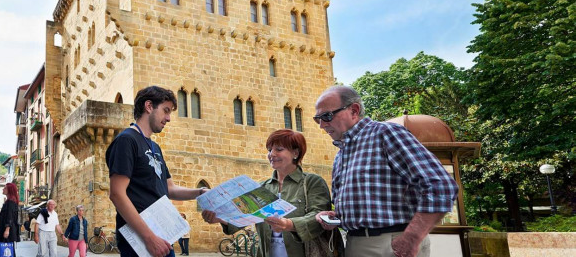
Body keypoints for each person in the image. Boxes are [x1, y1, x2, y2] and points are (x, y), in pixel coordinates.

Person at [313, 86, 459, 257]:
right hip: (356, 243)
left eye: (327, 116)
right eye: (318, 119)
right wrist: (337, 216)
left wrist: (413, 236)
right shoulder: (341, 154)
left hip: (392, 244)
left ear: (354, 110)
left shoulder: (385, 133)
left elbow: (440, 185)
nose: (322, 125)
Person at [106, 86, 208, 257]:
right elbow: (117, 194)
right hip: (142, 242)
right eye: (166, 111)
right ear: (149, 106)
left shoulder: (155, 147)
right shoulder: (126, 141)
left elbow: (169, 188)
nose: (168, 118)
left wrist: (200, 192)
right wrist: (149, 238)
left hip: (163, 238)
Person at [202, 129, 332, 257]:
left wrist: (288, 225)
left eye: (279, 149)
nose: (272, 154)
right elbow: (244, 217)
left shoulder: (312, 182)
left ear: (295, 153)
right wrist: (221, 219)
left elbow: (319, 217)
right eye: (269, 150)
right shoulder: (261, 187)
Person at [0, 183, 20, 254]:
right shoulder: (10, 202)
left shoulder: (10, 202)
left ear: (9, 190)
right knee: (9, 251)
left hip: (8, 230)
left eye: (5, 188)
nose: (3, 189)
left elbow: (10, 216)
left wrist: (7, 230)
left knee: (8, 251)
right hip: (7, 230)